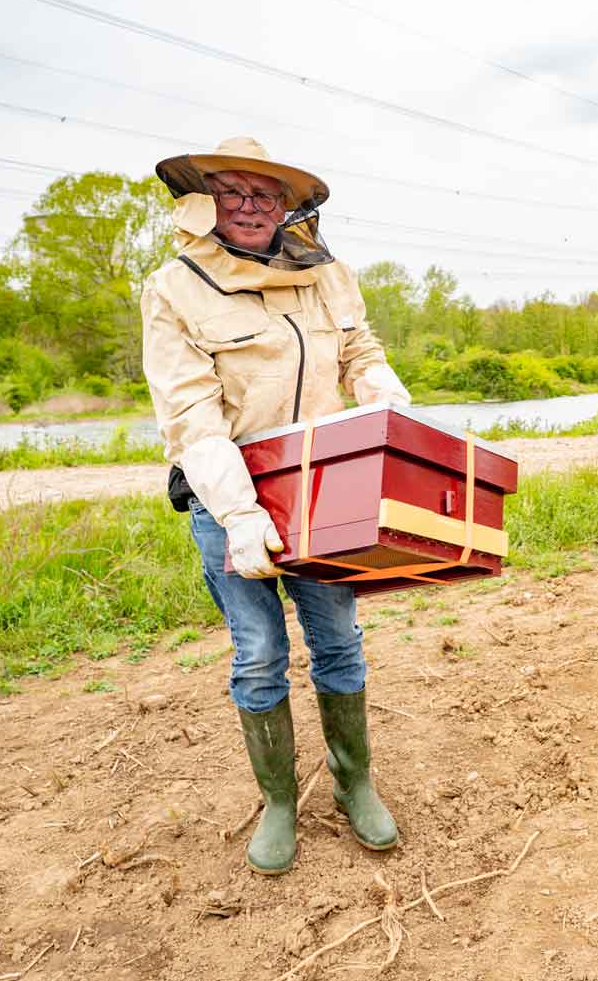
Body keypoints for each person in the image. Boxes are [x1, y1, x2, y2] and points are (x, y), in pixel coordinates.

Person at [140, 137, 413, 875]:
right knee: (259, 654)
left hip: (322, 483)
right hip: (226, 488)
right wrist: (238, 513)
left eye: (266, 193)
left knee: (338, 639)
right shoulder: (174, 286)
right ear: (203, 203)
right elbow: (190, 415)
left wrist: (385, 399)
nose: (252, 205)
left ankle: (355, 782)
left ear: (288, 205)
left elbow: (359, 350)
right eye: (233, 191)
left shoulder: (326, 274)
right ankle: (281, 802)